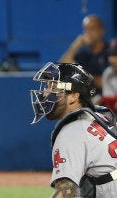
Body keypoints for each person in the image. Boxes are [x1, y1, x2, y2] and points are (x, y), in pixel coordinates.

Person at [29, 62, 117, 197]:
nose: (45, 94)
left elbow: (66, 191)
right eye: (47, 86)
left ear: (73, 96)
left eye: (53, 88)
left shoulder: (71, 132)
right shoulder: (99, 117)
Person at [59, 14, 110, 98]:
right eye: (86, 29)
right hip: (85, 100)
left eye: (92, 29)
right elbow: (62, 68)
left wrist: (83, 77)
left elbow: (108, 83)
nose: (88, 33)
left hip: (106, 101)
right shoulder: (83, 54)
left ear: (101, 30)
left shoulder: (110, 52)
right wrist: (75, 46)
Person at [101, 40, 117, 112]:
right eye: (111, 55)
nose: (112, 60)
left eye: (115, 55)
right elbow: (108, 100)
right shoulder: (108, 73)